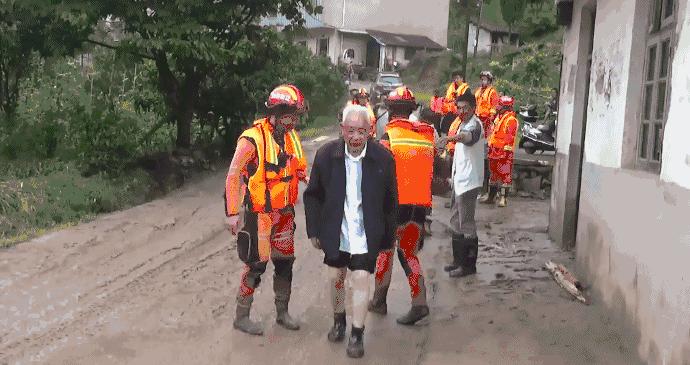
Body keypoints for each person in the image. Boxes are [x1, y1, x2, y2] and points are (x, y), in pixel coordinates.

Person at [303, 105, 398, 358]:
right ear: (342, 130)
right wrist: (314, 230)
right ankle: (339, 320)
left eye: (362, 131)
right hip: (336, 229)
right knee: (335, 276)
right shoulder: (326, 156)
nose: (356, 137)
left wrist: (388, 238)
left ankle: (357, 334)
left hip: (367, 232)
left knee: (360, 279)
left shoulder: (384, 159)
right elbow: (312, 195)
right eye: (351, 131)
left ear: (370, 132)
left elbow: (391, 201)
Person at [225, 84, 309, 336]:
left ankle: (282, 312)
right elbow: (233, 175)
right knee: (256, 264)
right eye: (291, 114)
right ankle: (242, 316)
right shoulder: (252, 139)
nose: (295, 119)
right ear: (278, 111)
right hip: (260, 215)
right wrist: (232, 212)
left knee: (285, 263)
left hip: (284, 214)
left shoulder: (291, 136)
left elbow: (298, 166)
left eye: (296, 114)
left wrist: (307, 177)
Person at [369, 86, 435, 326]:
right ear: (411, 110)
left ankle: (379, 301)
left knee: (384, 252)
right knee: (409, 254)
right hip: (419, 207)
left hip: (394, 206)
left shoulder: (389, 138)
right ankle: (419, 302)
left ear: (390, 109)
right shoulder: (426, 136)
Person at [440, 90, 485, 277]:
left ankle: (468, 266)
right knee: (455, 220)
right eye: (458, 108)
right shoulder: (461, 123)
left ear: (473, 108)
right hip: (459, 179)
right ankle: (458, 261)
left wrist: (448, 138)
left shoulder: (475, 125)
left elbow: (467, 138)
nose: (461, 111)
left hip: (469, 181)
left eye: (465, 108)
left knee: (466, 222)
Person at [482, 96, 519, 207]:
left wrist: (505, 152)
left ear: (506, 107)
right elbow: (493, 133)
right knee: (493, 175)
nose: (498, 107)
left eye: (500, 106)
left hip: (504, 152)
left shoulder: (511, 120)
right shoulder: (499, 118)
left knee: (505, 175)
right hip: (494, 150)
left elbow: (509, 138)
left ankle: (503, 199)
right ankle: (491, 197)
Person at [474, 70, 500, 201]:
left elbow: (494, 110)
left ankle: (485, 191)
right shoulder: (478, 91)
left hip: (487, 128)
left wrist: (487, 121)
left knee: (485, 162)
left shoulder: (492, 92)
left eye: (484, 79)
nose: (482, 81)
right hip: (478, 125)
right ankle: (478, 189)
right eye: (481, 79)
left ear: (489, 81)